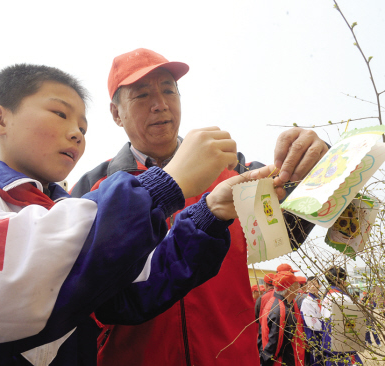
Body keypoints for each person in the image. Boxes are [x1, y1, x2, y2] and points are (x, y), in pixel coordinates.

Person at [0, 64, 275, 365]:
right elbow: (13, 278)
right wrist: (165, 185)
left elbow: (125, 290)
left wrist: (209, 214)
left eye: (169, 91)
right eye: (60, 114)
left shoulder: (232, 170)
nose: (75, 132)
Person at [71, 48, 329, 365]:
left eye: (169, 90)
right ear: (115, 113)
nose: (160, 104)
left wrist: (316, 165)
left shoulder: (233, 171)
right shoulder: (94, 189)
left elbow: (290, 229)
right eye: (141, 95)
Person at [259, 271, 306, 366]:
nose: (299, 288)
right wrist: (265, 361)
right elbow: (275, 345)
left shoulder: (274, 302)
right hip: (281, 361)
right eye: (296, 285)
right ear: (290, 289)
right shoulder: (281, 310)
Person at [321, 266, 363, 366]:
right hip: (343, 346)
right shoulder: (343, 298)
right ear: (341, 280)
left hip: (329, 345)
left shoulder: (326, 296)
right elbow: (351, 326)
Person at [300, 276, 323, 366]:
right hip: (314, 337)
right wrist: (325, 329)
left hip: (323, 336)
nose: (312, 286)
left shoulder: (321, 300)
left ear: (319, 286)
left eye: (314, 284)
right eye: (309, 285)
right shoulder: (307, 302)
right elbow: (313, 324)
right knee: (316, 362)